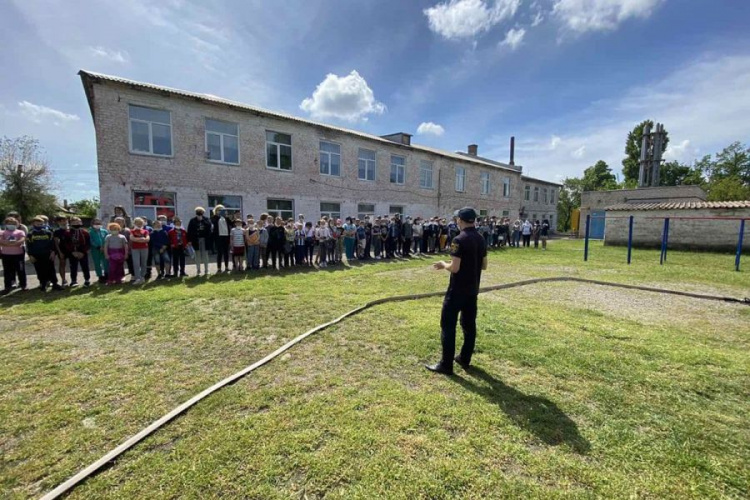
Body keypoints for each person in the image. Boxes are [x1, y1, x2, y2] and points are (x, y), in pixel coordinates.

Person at [426, 207, 488, 375]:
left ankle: (446, 365)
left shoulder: (458, 239)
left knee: (448, 325)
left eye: (457, 220)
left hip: (457, 291)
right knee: (469, 325)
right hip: (472, 290)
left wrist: (443, 264)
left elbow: (455, 268)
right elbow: (484, 265)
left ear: (460, 220)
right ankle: (464, 358)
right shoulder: (481, 238)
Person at [26, 216, 62, 291]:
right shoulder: (30, 234)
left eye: (41, 224)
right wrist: (30, 255)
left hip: (48, 254)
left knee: (51, 269)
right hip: (36, 255)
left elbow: (52, 243)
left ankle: (55, 284)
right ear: (33, 224)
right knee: (40, 270)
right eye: (37, 224)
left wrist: (53, 252)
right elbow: (29, 246)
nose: (39, 225)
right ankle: (43, 284)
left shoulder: (48, 233)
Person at [0, 216, 27, 294]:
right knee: (7, 272)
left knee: (21, 270)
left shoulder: (20, 232)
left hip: (18, 254)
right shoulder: (2, 232)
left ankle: (23, 285)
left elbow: (21, 240)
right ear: (6, 224)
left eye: (13, 223)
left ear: (16, 224)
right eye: (9, 223)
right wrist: (14, 243)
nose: (11, 225)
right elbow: (1, 241)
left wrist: (8, 243)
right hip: (6, 255)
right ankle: (7, 287)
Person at [188, 207, 212, 276]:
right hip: (196, 240)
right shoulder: (192, 220)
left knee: (205, 255)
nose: (199, 212)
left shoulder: (206, 219)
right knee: (197, 255)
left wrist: (202, 220)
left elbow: (209, 228)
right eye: (198, 211)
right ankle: (198, 270)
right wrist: (189, 240)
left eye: (201, 211)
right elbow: (189, 231)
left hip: (205, 239)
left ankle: (206, 270)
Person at [128, 217, 149, 285]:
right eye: (138, 223)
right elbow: (132, 238)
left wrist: (139, 239)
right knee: (136, 263)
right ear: (135, 223)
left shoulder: (145, 231)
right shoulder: (132, 231)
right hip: (135, 248)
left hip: (144, 248)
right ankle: (137, 278)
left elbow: (147, 239)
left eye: (141, 223)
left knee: (144, 263)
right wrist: (141, 239)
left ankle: (142, 277)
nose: (139, 224)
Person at [211, 205, 232, 273]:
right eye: (219, 210)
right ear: (216, 211)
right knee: (219, 253)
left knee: (226, 252)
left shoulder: (226, 218)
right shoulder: (214, 217)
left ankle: (226, 267)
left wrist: (227, 217)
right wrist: (219, 216)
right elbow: (214, 222)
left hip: (226, 236)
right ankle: (219, 268)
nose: (220, 211)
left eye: (222, 210)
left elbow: (231, 223)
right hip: (218, 237)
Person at [89, 218, 109, 283]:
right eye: (96, 223)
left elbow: (107, 239)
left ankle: (107, 275)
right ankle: (100, 276)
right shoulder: (90, 232)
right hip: (95, 250)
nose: (97, 225)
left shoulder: (104, 231)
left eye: (99, 223)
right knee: (97, 263)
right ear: (92, 224)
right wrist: (98, 247)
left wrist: (104, 247)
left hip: (104, 249)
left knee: (106, 262)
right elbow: (91, 241)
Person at [53, 216, 70, 286]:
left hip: (71, 250)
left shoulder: (71, 229)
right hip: (62, 250)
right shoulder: (57, 231)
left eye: (65, 220)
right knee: (62, 264)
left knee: (73, 265)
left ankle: (74, 280)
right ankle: (63, 280)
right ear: (58, 222)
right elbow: (56, 243)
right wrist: (59, 252)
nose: (64, 222)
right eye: (62, 221)